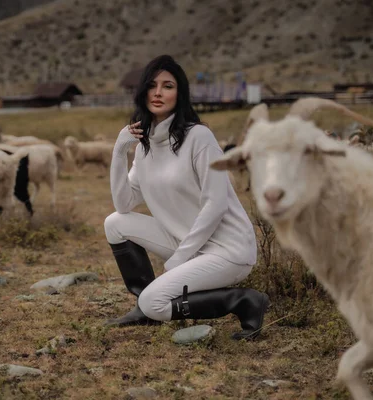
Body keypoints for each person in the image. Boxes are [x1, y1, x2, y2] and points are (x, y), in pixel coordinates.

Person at [103, 55, 269, 340]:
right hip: (187, 241)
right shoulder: (144, 147)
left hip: (227, 249)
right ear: (142, 91)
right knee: (114, 222)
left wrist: (180, 258)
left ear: (179, 94)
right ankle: (144, 306)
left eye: (168, 86)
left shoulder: (199, 137)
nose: (158, 93)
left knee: (156, 302)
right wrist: (119, 152)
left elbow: (215, 205)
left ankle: (244, 301)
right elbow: (124, 204)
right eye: (152, 85)